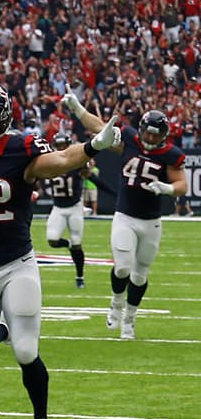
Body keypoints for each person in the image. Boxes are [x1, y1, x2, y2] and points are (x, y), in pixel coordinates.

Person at [0, 81, 121, 419]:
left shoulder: (19, 147)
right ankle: (4, 328)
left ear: (3, 116)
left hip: (15, 263)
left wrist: (94, 146)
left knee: (26, 352)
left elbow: (60, 162)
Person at [63, 96, 186, 340]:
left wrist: (168, 189)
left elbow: (181, 183)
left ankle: (130, 318)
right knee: (122, 268)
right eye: (147, 134)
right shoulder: (129, 139)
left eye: (155, 135)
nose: (150, 139)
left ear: (163, 134)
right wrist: (77, 108)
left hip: (151, 221)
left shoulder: (170, 154)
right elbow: (100, 127)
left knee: (140, 275)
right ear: (141, 130)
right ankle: (116, 303)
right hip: (125, 216)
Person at [42, 132, 93, 288]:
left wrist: (86, 170)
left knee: (77, 243)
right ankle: (68, 244)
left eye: (64, 146)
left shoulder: (76, 163)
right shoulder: (50, 162)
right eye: (59, 146)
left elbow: (88, 174)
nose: (61, 149)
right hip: (58, 207)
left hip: (74, 207)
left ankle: (80, 276)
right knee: (52, 240)